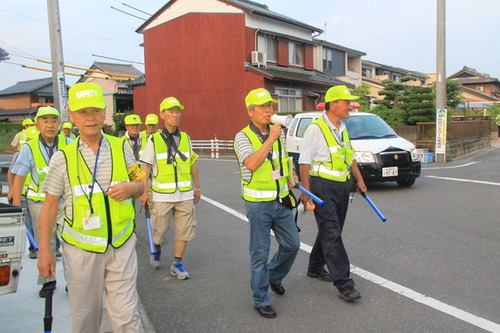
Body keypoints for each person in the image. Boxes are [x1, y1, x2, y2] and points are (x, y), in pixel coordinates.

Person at [37, 82, 145, 333]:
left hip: (122, 244)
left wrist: (132, 189)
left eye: (95, 111)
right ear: (72, 117)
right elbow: (50, 207)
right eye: (83, 112)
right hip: (81, 250)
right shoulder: (61, 158)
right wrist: (46, 250)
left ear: (104, 113)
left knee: (128, 317)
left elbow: (140, 183)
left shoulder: (122, 148)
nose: (90, 118)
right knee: (86, 318)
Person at [234, 88, 300, 318]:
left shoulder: (278, 133)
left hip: (281, 201)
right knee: (259, 253)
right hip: (258, 204)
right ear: (250, 110)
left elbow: (282, 160)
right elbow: (251, 163)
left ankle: (273, 276)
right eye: (262, 106)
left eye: (269, 106)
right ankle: (260, 298)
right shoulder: (242, 136)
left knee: (292, 244)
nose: (267, 110)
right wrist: (270, 139)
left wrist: (292, 175)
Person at [299, 85, 367, 302]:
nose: (350, 106)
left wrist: (360, 179)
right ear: (333, 104)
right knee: (331, 232)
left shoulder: (342, 126)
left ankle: (315, 266)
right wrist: (306, 191)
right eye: (347, 102)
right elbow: (304, 161)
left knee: (333, 228)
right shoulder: (315, 129)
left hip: (342, 185)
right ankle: (345, 284)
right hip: (321, 187)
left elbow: (349, 154)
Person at [139, 97, 200, 279]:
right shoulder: (154, 140)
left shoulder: (186, 138)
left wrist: (197, 187)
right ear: (162, 115)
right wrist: (144, 192)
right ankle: (156, 246)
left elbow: (192, 163)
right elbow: (145, 167)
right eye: (171, 111)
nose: (175, 115)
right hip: (161, 196)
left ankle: (177, 263)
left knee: (185, 229)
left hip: (184, 195)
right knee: (160, 230)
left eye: (177, 111)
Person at [11, 106, 69, 297]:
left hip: (66, 203)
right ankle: (48, 281)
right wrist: (18, 206)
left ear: (59, 124)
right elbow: (19, 176)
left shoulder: (69, 143)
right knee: (45, 245)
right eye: (45, 121)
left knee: (71, 244)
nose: (50, 125)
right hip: (40, 204)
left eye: (54, 120)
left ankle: (74, 281)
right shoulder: (29, 147)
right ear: (37, 125)